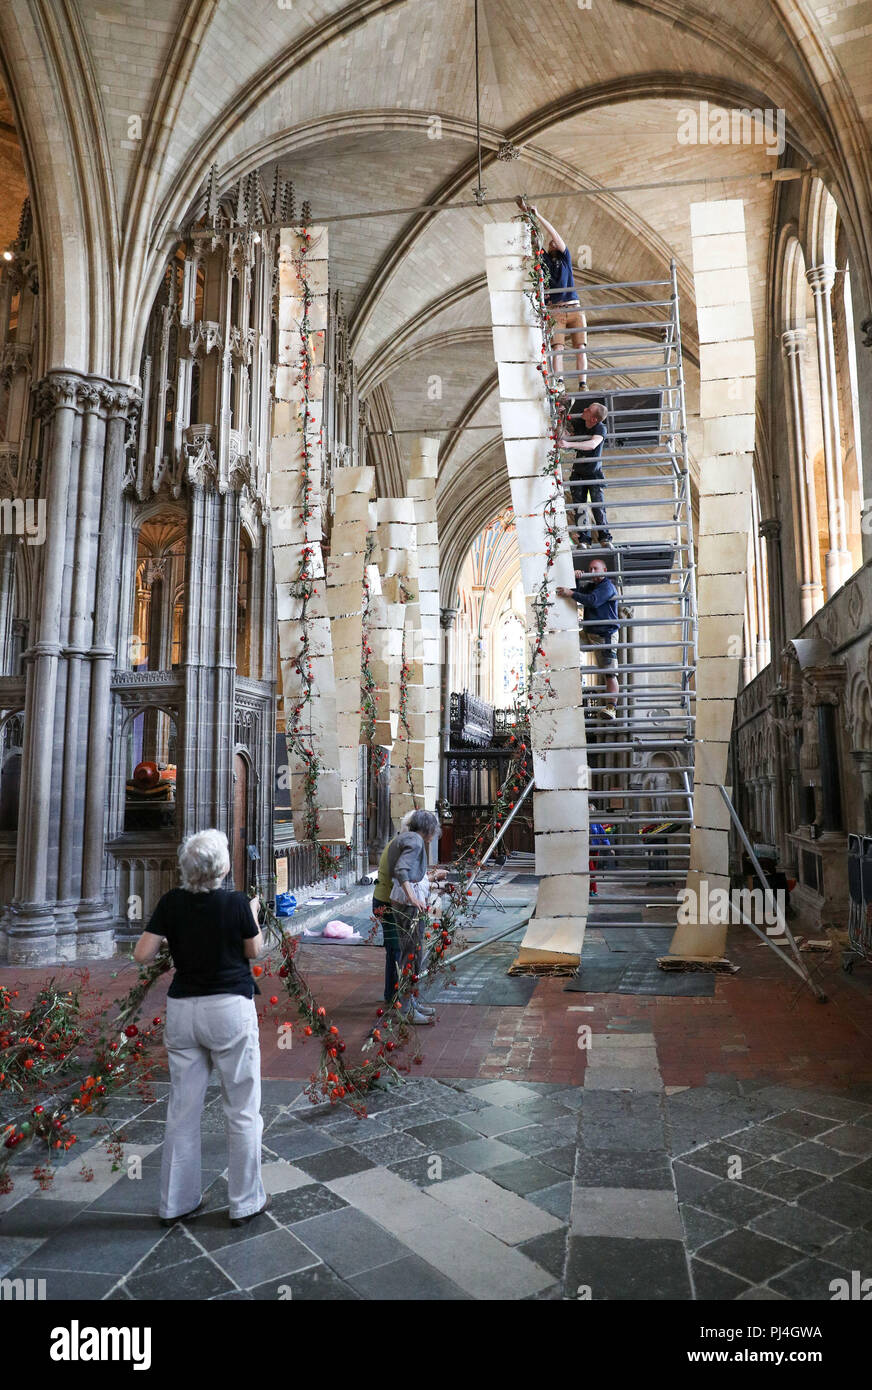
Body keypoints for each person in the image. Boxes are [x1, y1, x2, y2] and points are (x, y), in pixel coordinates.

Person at [133, 829, 267, 1229]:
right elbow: (254, 950)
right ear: (222, 867)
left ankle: (175, 1202)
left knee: (182, 1110)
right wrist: (253, 915)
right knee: (242, 1109)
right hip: (228, 1009)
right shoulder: (237, 902)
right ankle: (244, 1202)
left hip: (183, 1012)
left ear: (186, 869)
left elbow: (142, 954)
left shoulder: (171, 902)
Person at [516, 196, 587, 387]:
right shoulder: (545, 260)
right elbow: (535, 238)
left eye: (555, 242)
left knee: (580, 347)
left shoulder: (565, 258)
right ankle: (560, 383)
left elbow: (553, 233)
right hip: (556, 310)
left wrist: (538, 215)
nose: (552, 243)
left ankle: (582, 383)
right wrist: (527, 215)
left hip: (573, 308)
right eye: (550, 243)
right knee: (558, 348)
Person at [387, 808, 444, 1025]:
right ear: (429, 829)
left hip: (402, 901)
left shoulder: (407, 838)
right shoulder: (416, 841)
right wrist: (413, 898)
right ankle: (406, 1009)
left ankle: (410, 1002)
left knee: (412, 953)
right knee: (411, 956)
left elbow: (409, 872)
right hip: (406, 904)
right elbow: (402, 870)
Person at [557, 557, 620, 718]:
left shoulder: (607, 586)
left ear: (604, 571)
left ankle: (611, 707)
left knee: (609, 672)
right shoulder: (593, 585)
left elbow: (592, 601)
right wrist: (576, 580)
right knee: (566, 643)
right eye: (590, 569)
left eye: (595, 569)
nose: (591, 572)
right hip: (589, 632)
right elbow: (579, 595)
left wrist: (571, 592)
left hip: (604, 635)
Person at [562, 404, 612, 547]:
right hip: (578, 472)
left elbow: (592, 444)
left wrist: (569, 444)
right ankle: (584, 539)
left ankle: (605, 537)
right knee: (580, 507)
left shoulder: (600, 428)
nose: (584, 409)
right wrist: (562, 414)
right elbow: (566, 431)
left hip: (593, 473)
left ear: (594, 419)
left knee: (598, 506)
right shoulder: (581, 423)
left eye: (588, 410)